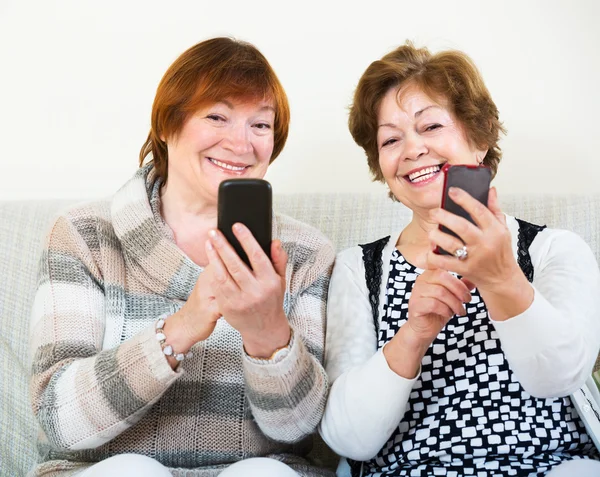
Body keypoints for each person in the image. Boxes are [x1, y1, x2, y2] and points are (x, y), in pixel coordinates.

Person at [29, 37, 335, 477]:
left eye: (260, 125)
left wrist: (268, 332)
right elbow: (59, 419)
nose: (241, 143)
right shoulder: (83, 235)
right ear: (167, 125)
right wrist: (182, 327)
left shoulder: (305, 253)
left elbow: (299, 433)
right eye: (217, 116)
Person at [319, 41, 600, 477]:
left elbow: (560, 377)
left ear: (480, 138)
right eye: (391, 138)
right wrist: (414, 333)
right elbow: (348, 438)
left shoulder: (555, 250)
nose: (412, 149)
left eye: (430, 126)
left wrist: (503, 278)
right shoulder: (359, 269)